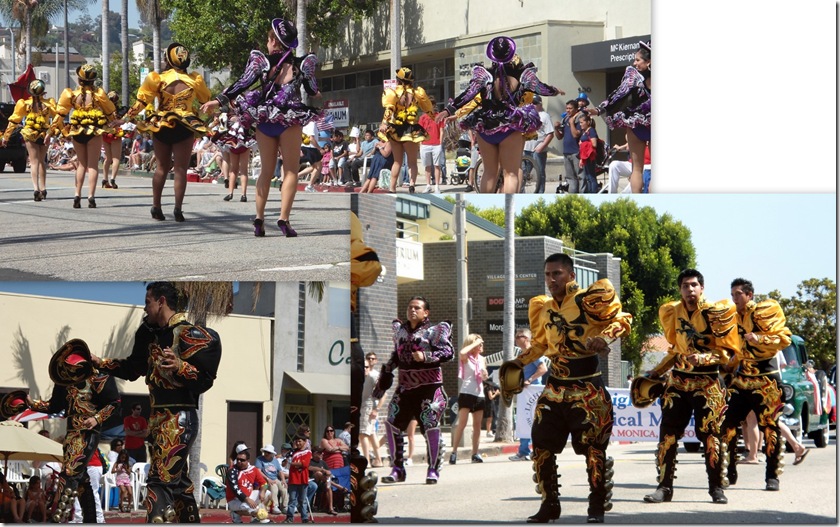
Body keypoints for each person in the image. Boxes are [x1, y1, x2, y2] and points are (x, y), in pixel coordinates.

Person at [500, 253, 631, 523]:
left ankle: (596, 506)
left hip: (588, 388)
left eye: (557, 273)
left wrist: (603, 338)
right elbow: (539, 345)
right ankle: (550, 504)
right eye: (548, 274)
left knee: (594, 449)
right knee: (541, 444)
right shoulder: (542, 307)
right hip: (555, 387)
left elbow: (622, 320)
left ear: (571, 275)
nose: (551, 279)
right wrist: (517, 362)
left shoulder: (587, 301)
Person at [94, 281, 222, 523]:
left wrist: (180, 366)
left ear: (161, 301)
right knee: (179, 487)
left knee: (158, 482)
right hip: (158, 421)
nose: (145, 309)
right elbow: (133, 369)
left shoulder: (190, 334)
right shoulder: (148, 334)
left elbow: (205, 380)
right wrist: (99, 362)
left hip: (180, 419)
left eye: (147, 303)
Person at [201, 18, 321, 238]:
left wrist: (218, 101)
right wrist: (314, 91)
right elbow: (312, 90)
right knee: (291, 170)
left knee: (266, 171)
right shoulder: (301, 65)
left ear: (273, 41)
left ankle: (259, 219)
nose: (267, 43)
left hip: (264, 119)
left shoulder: (261, 61)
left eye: (268, 39)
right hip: (290, 120)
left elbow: (241, 84)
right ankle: (284, 219)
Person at [643, 268, 737, 506]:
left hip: (708, 383)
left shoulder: (716, 312)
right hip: (678, 382)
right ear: (680, 289)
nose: (690, 289)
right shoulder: (672, 311)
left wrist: (704, 359)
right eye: (685, 286)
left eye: (694, 285)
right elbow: (675, 350)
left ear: (702, 288)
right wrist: (656, 371)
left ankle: (716, 487)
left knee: (710, 437)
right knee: (667, 436)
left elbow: (726, 353)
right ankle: (664, 487)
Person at [436, 36, 562, 193]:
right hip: (510, 127)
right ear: (511, 54)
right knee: (511, 173)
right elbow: (542, 89)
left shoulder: (483, 75)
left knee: (489, 173)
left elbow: (468, 94)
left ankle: (485, 211)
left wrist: (449, 109)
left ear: (492, 54)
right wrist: (555, 91)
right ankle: (507, 212)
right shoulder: (522, 75)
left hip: (485, 127)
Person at [26, 340, 121, 523]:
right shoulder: (64, 381)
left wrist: (97, 418)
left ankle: (57, 519)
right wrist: (33, 405)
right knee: (82, 480)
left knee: (70, 474)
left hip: (88, 433)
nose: (71, 371)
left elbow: (114, 403)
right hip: (71, 433)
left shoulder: (99, 378)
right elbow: (55, 406)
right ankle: (91, 521)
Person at [122, 43, 211, 222]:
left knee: (161, 168)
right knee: (180, 169)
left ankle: (156, 206)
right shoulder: (194, 79)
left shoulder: (157, 78)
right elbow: (205, 99)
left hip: (161, 124)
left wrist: (125, 118)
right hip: (185, 125)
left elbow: (142, 101)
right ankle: (178, 209)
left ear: (167, 59)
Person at [372, 296, 454, 485]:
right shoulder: (400, 331)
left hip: (430, 389)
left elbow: (448, 353)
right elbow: (397, 355)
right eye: (410, 307)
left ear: (426, 312)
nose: (412, 310)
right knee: (392, 423)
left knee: (430, 426)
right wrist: (387, 370)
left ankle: (433, 469)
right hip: (405, 388)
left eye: (417, 308)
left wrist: (426, 356)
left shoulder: (434, 331)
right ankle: (397, 469)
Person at [721, 278, 792, 491]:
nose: (735, 298)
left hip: (766, 381)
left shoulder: (763, 313)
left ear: (749, 295)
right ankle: (729, 469)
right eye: (732, 294)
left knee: (770, 428)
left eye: (738, 294)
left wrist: (760, 339)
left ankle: (772, 476)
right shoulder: (731, 317)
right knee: (728, 425)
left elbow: (784, 339)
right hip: (742, 381)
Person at [51, 64, 117, 209]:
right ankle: (91, 196)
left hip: (77, 131)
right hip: (94, 131)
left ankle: (77, 194)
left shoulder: (72, 94)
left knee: (81, 164)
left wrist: (52, 130)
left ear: (80, 80)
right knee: (92, 165)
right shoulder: (99, 94)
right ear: (93, 80)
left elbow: (60, 114)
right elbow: (110, 111)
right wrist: (115, 124)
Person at [588, 40, 650, 193]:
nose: (634, 63)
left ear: (649, 62)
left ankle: (639, 206)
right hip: (643, 124)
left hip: (636, 124)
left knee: (637, 169)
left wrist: (599, 109)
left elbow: (618, 94)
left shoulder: (633, 75)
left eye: (637, 60)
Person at [1, 79, 57, 201]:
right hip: (44, 134)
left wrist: (6, 136)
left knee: (34, 162)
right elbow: (58, 118)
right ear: (43, 92)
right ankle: (43, 188)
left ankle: (36, 188)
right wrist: (52, 132)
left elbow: (14, 120)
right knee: (42, 161)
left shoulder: (24, 104)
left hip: (30, 133)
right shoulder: (49, 104)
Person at [380, 67, 434, 194]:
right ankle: (411, 185)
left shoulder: (393, 93)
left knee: (397, 161)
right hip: (411, 130)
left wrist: (384, 122)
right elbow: (428, 108)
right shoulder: (417, 93)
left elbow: (389, 109)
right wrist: (435, 117)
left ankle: (392, 188)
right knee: (412, 162)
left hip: (396, 129)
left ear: (398, 80)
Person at [508, 328, 549, 462]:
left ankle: (528, 451)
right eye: (516, 336)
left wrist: (529, 380)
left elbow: (543, 369)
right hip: (525, 393)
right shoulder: (522, 353)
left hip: (533, 392)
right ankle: (525, 451)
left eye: (518, 336)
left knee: (530, 421)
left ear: (526, 338)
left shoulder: (533, 352)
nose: (516, 339)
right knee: (525, 421)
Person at [449, 333, 488, 464]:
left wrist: (485, 375)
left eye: (481, 344)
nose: (481, 346)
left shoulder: (482, 359)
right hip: (466, 393)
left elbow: (484, 376)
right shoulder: (466, 357)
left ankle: (475, 453)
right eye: (479, 344)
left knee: (477, 426)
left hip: (479, 394)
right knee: (462, 423)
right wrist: (474, 342)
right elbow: (462, 351)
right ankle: (454, 452)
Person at [216, 113, 255, 202]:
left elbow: (221, 130)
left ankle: (230, 193)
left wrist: (214, 139)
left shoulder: (226, 117)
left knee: (234, 169)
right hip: (244, 142)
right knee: (244, 170)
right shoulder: (247, 116)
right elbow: (253, 127)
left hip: (232, 143)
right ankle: (243, 195)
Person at [225, 448, 269, 523]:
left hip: (249, 496)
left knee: (267, 493)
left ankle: (256, 518)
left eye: (242, 460)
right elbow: (235, 490)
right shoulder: (232, 471)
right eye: (238, 459)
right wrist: (248, 500)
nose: (239, 461)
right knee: (255, 510)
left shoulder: (253, 469)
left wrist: (262, 491)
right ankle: (235, 513)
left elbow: (264, 483)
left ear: (248, 461)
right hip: (235, 500)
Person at [524, 94, 553, 193]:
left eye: (535, 103)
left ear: (540, 104)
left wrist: (542, 147)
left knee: (540, 173)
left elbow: (550, 134)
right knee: (523, 173)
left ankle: (540, 194)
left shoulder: (545, 116)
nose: (533, 105)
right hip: (526, 149)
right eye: (531, 103)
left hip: (538, 150)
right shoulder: (526, 114)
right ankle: (521, 193)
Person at [553, 100, 583, 193]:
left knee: (580, 176)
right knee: (570, 177)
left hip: (576, 152)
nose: (568, 110)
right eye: (567, 108)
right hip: (566, 152)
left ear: (576, 109)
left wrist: (572, 123)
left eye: (570, 108)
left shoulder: (579, 118)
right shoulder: (565, 118)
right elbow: (559, 137)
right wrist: (556, 128)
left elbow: (575, 135)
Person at [360, 356, 384, 467]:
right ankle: (378, 460)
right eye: (363, 367)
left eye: (366, 367)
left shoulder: (373, 376)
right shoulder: (362, 378)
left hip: (368, 406)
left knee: (363, 434)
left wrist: (376, 409)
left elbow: (384, 394)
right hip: (365, 406)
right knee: (371, 434)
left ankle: (367, 461)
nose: (364, 369)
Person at [101, 90, 128, 189]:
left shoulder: (104, 110)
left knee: (107, 158)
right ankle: (113, 179)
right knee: (116, 158)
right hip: (115, 134)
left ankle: (105, 179)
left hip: (105, 133)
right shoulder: (119, 112)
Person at [419, 97, 444, 193]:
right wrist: (420, 143)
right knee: (427, 166)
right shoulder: (423, 117)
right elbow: (420, 131)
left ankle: (437, 186)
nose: (430, 107)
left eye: (432, 104)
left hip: (436, 144)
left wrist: (440, 142)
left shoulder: (439, 116)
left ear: (434, 105)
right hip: (425, 144)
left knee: (437, 165)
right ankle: (428, 185)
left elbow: (442, 130)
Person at [284, 435, 312, 524]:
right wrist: (289, 461)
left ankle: (304, 518)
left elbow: (305, 464)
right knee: (292, 500)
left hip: (303, 479)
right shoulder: (292, 453)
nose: (298, 443)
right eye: (297, 441)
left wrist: (293, 463)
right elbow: (285, 463)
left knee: (303, 500)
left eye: (300, 441)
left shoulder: (308, 452)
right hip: (293, 479)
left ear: (304, 442)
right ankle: (289, 517)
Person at [255, 445, 286, 515]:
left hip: (275, 478)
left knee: (284, 488)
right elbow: (258, 471)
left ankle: (284, 506)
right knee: (274, 488)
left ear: (272, 454)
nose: (266, 454)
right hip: (264, 479)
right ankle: (275, 506)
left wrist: (283, 480)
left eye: (268, 452)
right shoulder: (259, 459)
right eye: (265, 452)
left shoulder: (275, 460)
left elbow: (280, 471)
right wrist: (267, 479)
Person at [577, 113, 600, 193]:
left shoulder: (591, 130)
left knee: (591, 177)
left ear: (588, 122)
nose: (580, 124)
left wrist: (583, 143)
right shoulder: (584, 132)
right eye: (580, 123)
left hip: (590, 157)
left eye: (582, 122)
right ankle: (590, 193)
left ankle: (593, 194)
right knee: (587, 177)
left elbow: (594, 144)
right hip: (585, 157)